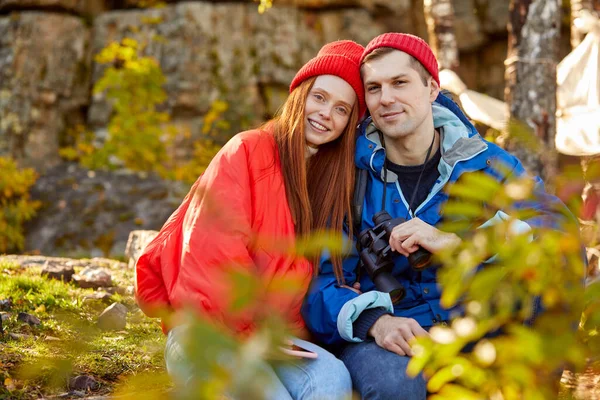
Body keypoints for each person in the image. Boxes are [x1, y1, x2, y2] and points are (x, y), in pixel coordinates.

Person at [301, 32, 575, 399]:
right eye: (374, 88)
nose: (387, 99)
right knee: (394, 383)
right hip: (392, 335)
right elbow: (319, 281)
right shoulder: (351, 175)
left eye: (400, 83)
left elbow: (557, 227)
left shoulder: (482, 162)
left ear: (432, 88)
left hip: (475, 323)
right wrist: (375, 322)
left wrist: (462, 244)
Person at [135, 40, 367, 400]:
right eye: (319, 97)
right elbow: (213, 263)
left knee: (331, 379)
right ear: (299, 94)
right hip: (206, 332)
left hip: (270, 339)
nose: (325, 113)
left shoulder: (327, 186)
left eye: (341, 109)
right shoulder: (247, 151)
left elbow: (294, 291)